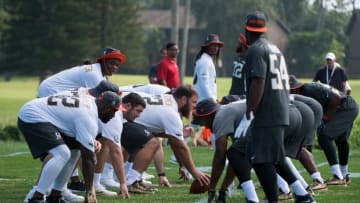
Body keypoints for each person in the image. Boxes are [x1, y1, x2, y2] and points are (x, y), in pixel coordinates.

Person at [243, 11, 315, 202]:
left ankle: (274, 199)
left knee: (259, 158)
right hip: (281, 108)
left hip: (268, 112)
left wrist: (249, 112)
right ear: (264, 29)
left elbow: (258, 82)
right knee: (272, 156)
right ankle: (302, 194)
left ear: (246, 30)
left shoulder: (256, 50)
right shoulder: (272, 48)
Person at [18, 87, 121, 203]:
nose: (114, 116)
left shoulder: (89, 103)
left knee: (75, 151)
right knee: (62, 153)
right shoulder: (89, 117)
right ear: (106, 108)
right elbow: (89, 159)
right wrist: (90, 191)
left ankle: (56, 195)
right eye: (114, 111)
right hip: (32, 115)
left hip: (41, 113)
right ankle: (35, 197)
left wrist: (90, 140)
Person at [289, 75, 359, 185]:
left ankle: (338, 176)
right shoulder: (305, 92)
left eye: (292, 90)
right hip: (346, 107)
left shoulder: (309, 89)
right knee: (341, 140)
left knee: (324, 136)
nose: (292, 92)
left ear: (297, 87)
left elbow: (335, 97)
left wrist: (326, 117)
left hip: (345, 107)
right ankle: (344, 175)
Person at [37, 47, 125, 97]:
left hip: (51, 89)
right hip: (50, 90)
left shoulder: (97, 71)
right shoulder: (93, 74)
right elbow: (98, 100)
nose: (114, 67)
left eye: (117, 65)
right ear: (103, 61)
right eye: (112, 63)